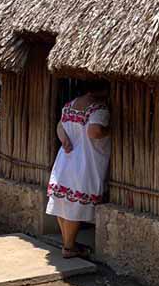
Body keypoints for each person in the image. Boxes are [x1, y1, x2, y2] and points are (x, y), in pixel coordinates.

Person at [46, 80, 111, 258]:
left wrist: (64, 139)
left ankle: (68, 244)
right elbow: (94, 132)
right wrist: (111, 131)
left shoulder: (69, 106)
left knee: (62, 202)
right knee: (74, 205)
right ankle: (69, 246)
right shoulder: (99, 109)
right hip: (85, 161)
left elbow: (60, 125)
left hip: (66, 159)